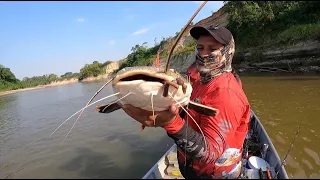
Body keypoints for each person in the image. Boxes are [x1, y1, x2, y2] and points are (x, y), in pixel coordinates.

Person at [120, 25, 251, 179]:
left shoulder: (226, 93)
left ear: (228, 52)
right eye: (200, 47)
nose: (203, 53)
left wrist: (169, 122)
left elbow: (212, 153)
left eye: (212, 48)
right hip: (191, 166)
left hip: (214, 175)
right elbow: (189, 112)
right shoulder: (201, 81)